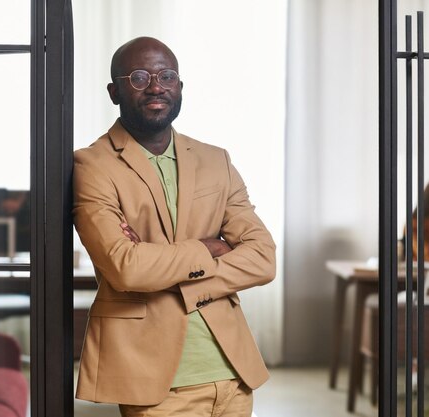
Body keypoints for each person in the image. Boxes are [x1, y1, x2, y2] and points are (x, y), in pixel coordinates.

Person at [72, 37, 276, 417]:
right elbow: (125, 267)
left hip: (233, 376)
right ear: (114, 92)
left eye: (166, 76)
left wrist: (160, 265)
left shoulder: (216, 160)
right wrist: (210, 247)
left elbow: (263, 259)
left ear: (180, 87)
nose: (155, 86)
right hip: (157, 385)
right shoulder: (92, 165)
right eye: (138, 77)